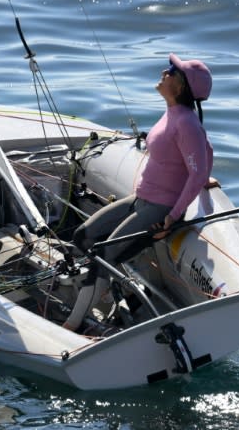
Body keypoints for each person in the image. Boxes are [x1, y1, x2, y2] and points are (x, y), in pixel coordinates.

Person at [63, 53, 214, 331]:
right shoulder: (172, 113)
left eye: (170, 71)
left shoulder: (187, 123)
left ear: (180, 85)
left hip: (160, 209)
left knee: (103, 256)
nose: (163, 72)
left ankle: (73, 325)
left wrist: (174, 215)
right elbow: (206, 153)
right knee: (82, 237)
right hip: (141, 200)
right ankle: (125, 288)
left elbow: (198, 169)